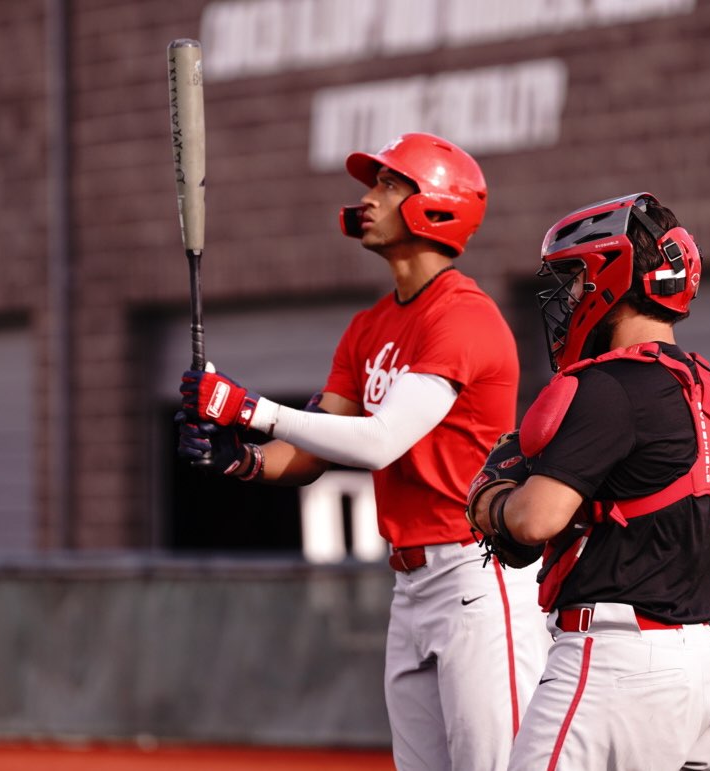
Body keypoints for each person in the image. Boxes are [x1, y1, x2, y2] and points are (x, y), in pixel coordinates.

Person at [177, 132, 552, 770]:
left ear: (434, 206)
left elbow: (380, 443)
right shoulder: (369, 326)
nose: (368, 197)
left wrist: (247, 408)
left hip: (477, 576)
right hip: (410, 586)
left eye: (387, 184)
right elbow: (315, 447)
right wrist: (239, 456)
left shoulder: (464, 316)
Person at [467, 192, 710, 770]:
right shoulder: (702, 388)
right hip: (699, 668)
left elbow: (533, 521)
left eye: (574, 279)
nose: (567, 296)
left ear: (609, 277)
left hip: (615, 664)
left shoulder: (607, 385)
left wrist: (489, 498)